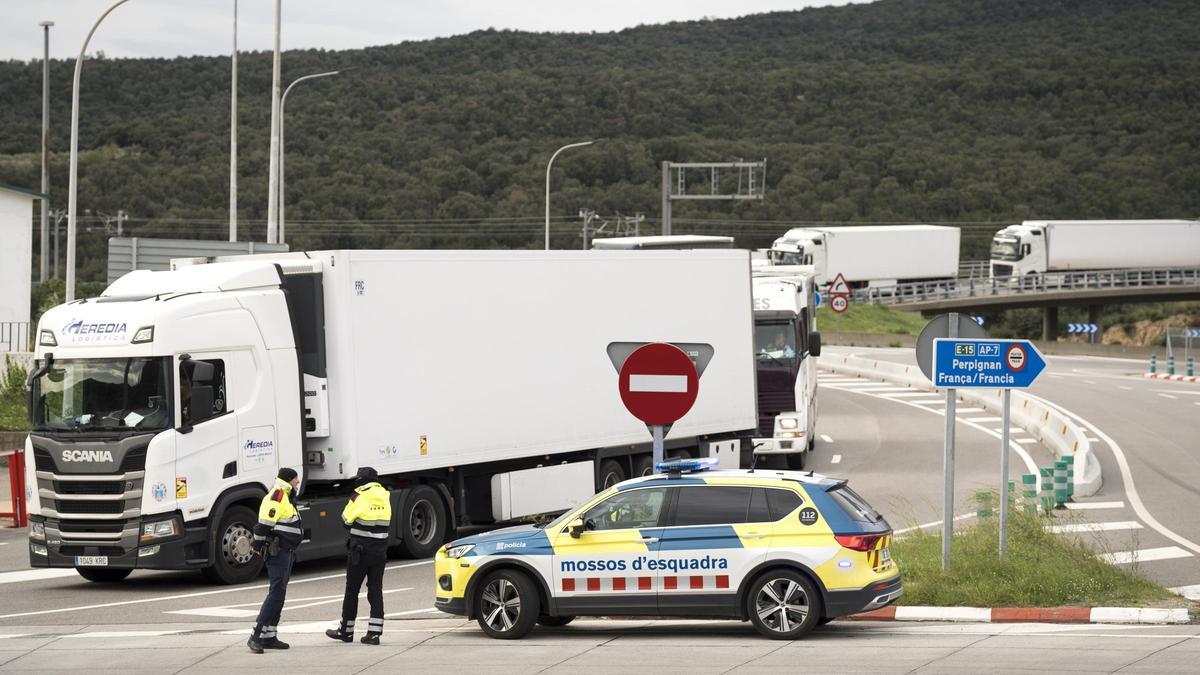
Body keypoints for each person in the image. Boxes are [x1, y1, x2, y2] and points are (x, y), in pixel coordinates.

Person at [326, 467, 392, 645]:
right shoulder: (385, 495)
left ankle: (346, 632)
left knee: (352, 591)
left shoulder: (359, 496)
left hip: (360, 551)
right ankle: (374, 633)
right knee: (376, 590)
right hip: (380, 551)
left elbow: (345, 520)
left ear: (361, 480)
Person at [247, 467, 304, 654]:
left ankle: (270, 636)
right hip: (278, 551)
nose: (297, 483)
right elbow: (263, 525)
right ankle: (256, 636)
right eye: (296, 480)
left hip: (285, 550)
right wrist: (257, 545)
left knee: (280, 592)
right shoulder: (277, 497)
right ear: (288, 480)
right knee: (276, 593)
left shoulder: (286, 496)